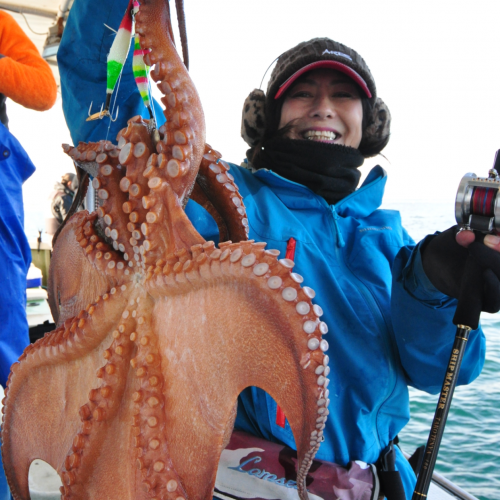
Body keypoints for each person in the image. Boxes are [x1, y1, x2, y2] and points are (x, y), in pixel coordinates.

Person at [58, 3, 498, 498]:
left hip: (376, 483)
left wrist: (435, 288)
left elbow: (440, 371)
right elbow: (107, 104)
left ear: (370, 121)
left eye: (344, 95)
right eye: (302, 94)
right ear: (265, 116)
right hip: (239, 481)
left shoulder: (392, 243)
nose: (323, 107)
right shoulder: (216, 201)